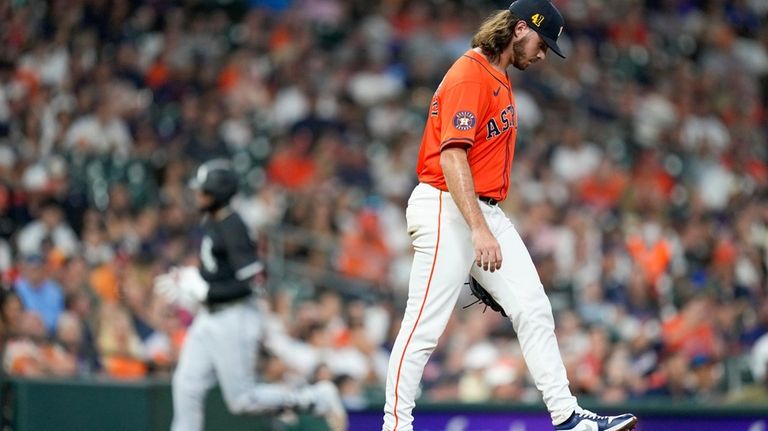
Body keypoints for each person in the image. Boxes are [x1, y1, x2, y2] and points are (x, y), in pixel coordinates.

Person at [381, 1, 638, 431]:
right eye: (542, 43)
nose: (542, 55)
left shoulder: (498, 75)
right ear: (520, 29)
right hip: (447, 203)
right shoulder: (470, 73)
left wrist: (483, 224)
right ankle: (394, 425)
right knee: (423, 325)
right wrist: (479, 230)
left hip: (481, 209)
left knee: (534, 307)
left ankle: (568, 416)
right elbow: (452, 158)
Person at [155, 159, 347, 431]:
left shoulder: (233, 226)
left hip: (235, 317)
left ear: (217, 194)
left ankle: (315, 398)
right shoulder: (214, 222)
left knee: (242, 400)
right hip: (211, 317)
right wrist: (190, 278)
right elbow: (220, 271)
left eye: (204, 190)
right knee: (186, 384)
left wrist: (206, 290)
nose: (198, 195)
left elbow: (253, 283)